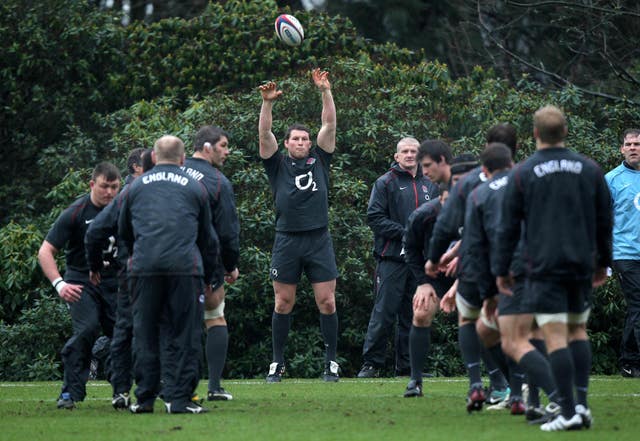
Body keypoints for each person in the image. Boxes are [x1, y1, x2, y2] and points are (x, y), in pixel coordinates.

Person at [493, 105, 613, 431]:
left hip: (543, 266)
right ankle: (582, 407)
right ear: (565, 132)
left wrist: (502, 270)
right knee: (578, 331)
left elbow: (507, 227)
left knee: (555, 335)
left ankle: (568, 412)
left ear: (535, 134)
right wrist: (603, 261)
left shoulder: (523, 172)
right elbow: (605, 220)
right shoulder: (590, 169)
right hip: (580, 264)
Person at [118, 135, 218, 414]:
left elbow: (123, 229)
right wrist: (209, 276)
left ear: (152, 157)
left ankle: (145, 399)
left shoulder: (135, 187)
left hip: (144, 269)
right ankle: (180, 399)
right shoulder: (195, 187)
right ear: (183, 158)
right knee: (185, 335)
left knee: (144, 333)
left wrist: (134, 259)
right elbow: (208, 239)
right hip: (185, 270)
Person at [258, 68, 340, 382]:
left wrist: (325, 91)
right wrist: (267, 104)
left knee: (327, 301)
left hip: (318, 238)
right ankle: (277, 364)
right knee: (283, 302)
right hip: (287, 239)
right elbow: (265, 135)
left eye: (305, 139)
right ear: (288, 143)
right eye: (296, 139)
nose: (302, 142)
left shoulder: (320, 158)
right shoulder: (276, 163)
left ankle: (331, 364)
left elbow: (329, 123)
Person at [426, 124, 517, 405]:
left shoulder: (472, 184)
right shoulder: (526, 176)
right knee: (526, 329)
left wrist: (435, 258)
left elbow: (449, 226)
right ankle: (527, 393)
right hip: (521, 263)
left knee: (473, 320)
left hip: (481, 264)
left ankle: (482, 385)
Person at [37, 162, 121, 409]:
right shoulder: (75, 212)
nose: (109, 192)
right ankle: (69, 393)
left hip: (114, 282)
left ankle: (121, 390)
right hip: (80, 282)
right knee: (87, 329)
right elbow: (45, 251)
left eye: (114, 187)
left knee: (123, 335)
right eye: (104, 186)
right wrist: (59, 284)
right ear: (92, 184)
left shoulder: (123, 210)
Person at [357, 137, 439, 378]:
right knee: (384, 313)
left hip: (420, 261)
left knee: (414, 313)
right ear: (397, 156)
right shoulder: (385, 182)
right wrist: (407, 233)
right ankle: (371, 364)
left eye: (414, 151)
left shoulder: (430, 183)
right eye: (405, 151)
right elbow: (375, 217)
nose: (410, 155)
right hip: (392, 258)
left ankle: (408, 367)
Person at [402, 147, 476, 397]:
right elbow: (411, 251)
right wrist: (422, 283)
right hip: (434, 278)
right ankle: (415, 381)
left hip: (468, 273)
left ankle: (484, 383)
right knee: (420, 313)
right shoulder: (422, 216)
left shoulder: (473, 209)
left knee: (480, 320)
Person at [85, 148, 152, 410]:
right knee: (150, 329)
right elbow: (97, 232)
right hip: (150, 271)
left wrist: (96, 266)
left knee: (123, 330)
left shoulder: (129, 193)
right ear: (137, 167)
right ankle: (154, 389)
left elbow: (96, 233)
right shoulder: (134, 192)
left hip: (128, 272)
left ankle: (122, 390)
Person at [183, 125, 240, 400]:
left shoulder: (173, 172)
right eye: (224, 145)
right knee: (214, 317)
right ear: (208, 147)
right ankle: (214, 387)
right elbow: (228, 232)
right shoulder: (218, 181)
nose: (227, 152)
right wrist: (230, 266)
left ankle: (164, 385)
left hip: (162, 259)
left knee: (170, 322)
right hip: (203, 260)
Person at [605, 129, 640, 378]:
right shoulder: (612, 180)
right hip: (625, 253)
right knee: (639, 304)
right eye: (628, 144)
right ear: (621, 149)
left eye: (637, 144)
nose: (633, 148)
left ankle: (629, 361)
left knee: (636, 309)